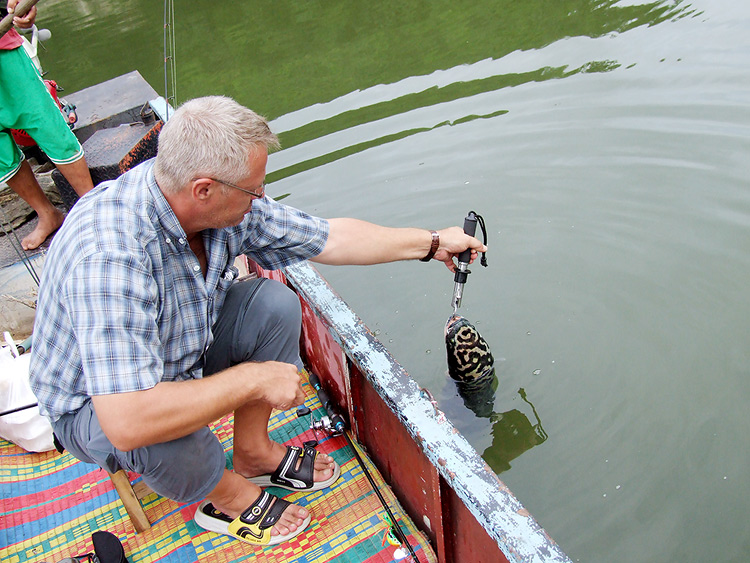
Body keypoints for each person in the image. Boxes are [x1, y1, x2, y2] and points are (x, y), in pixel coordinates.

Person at [29, 96, 487, 547]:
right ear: (204, 189)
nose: (261, 197)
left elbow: (330, 238)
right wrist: (251, 380)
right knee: (159, 435)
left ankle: (252, 452)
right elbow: (128, 419)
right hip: (97, 405)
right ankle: (225, 494)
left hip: (176, 354)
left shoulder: (219, 209)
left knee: (273, 304)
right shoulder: (110, 252)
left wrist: (431, 243)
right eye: (254, 189)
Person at [1, 0, 94, 250]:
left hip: (2, 48)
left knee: (44, 121)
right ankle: (47, 213)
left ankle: (93, 206)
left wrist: (18, 6)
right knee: (1, 152)